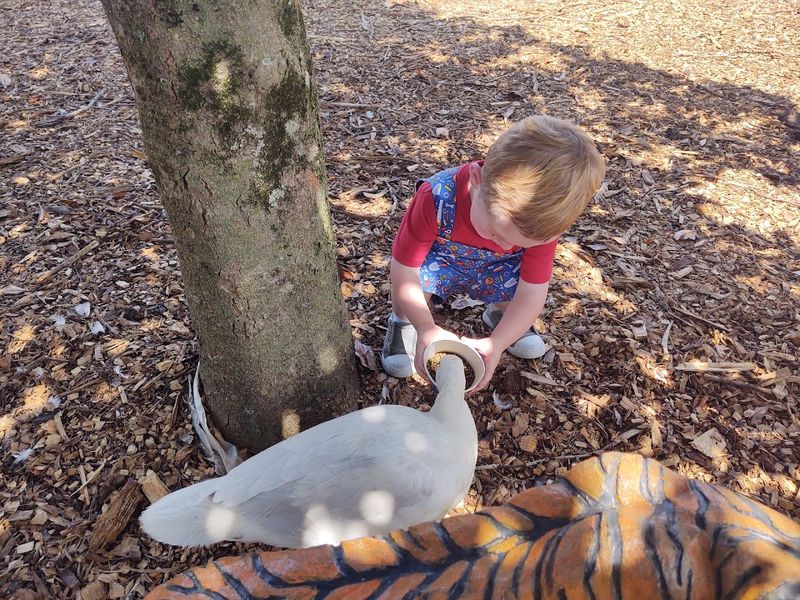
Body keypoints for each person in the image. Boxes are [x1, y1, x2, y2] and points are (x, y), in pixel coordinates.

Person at [382, 115, 605, 392]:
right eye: (494, 231)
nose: (501, 244)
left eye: (519, 242)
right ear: (476, 180)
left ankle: (500, 317)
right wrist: (426, 326)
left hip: (496, 271)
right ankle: (404, 322)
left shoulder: (541, 227)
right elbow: (404, 269)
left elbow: (532, 291)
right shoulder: (435, 196)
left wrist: (497, 343)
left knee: (518, 292)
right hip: (441, 260)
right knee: (411, 288)